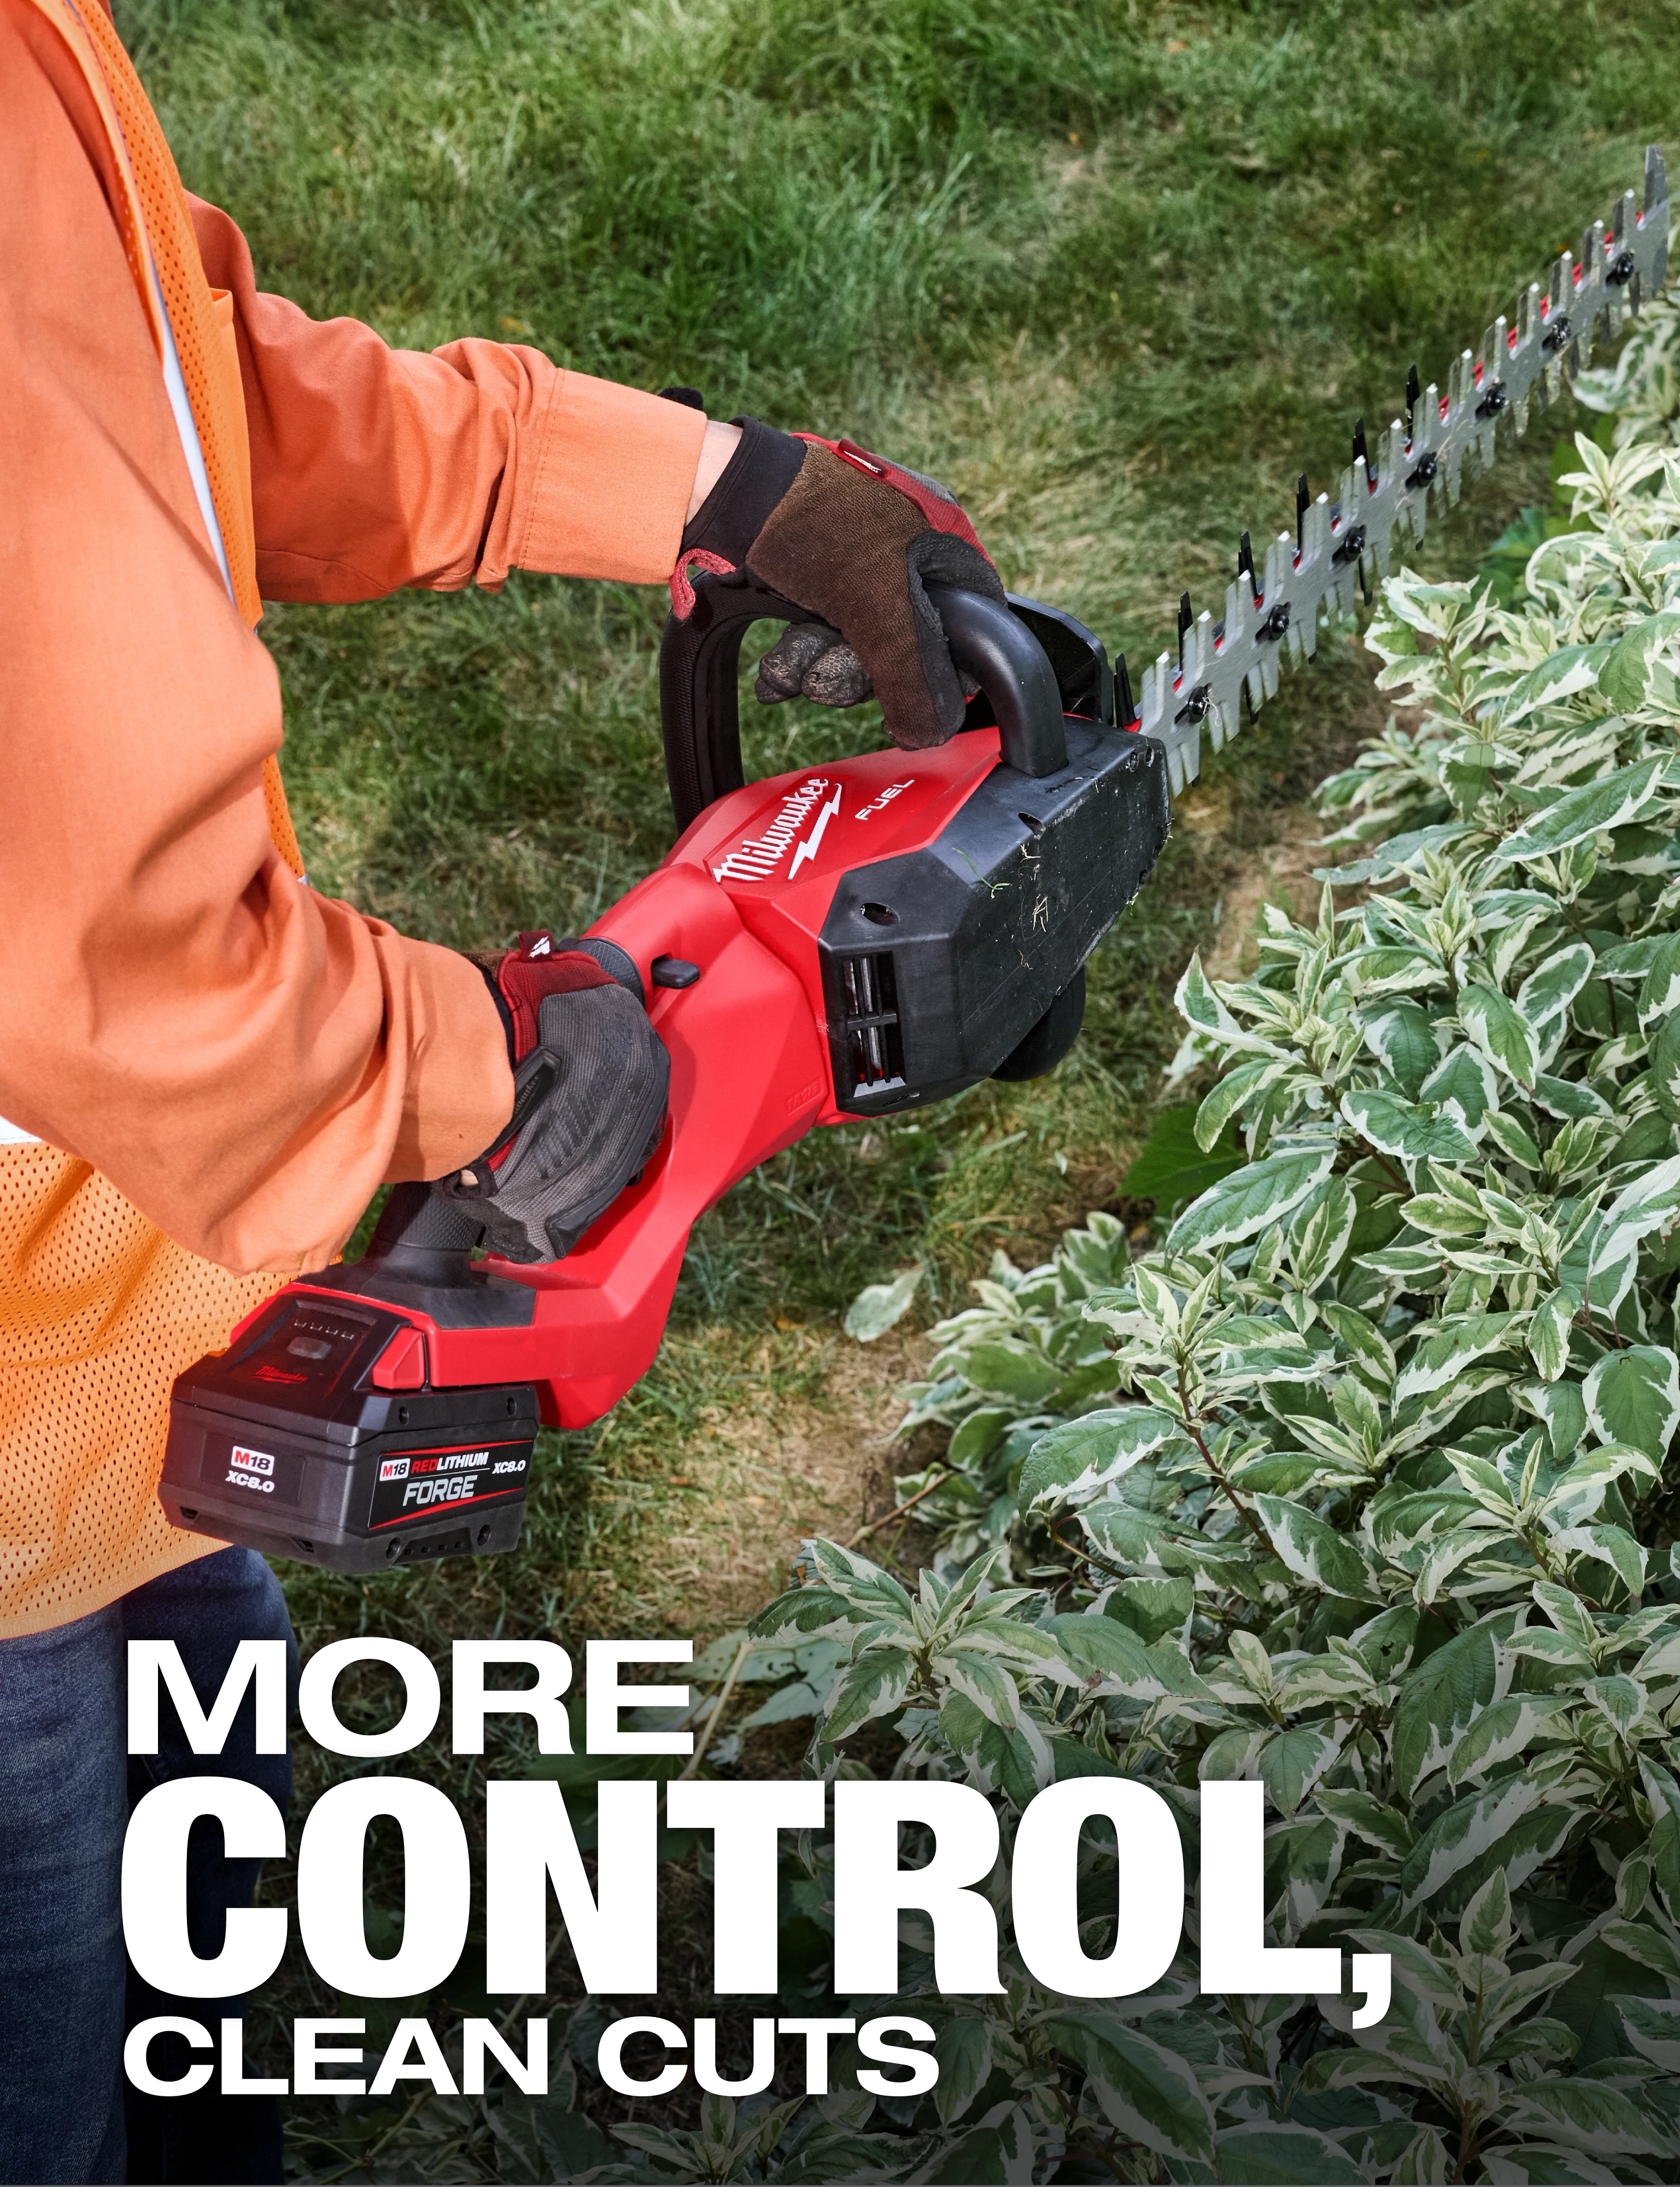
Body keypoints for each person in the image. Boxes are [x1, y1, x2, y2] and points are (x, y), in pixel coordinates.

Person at [0, 3, 1004, 2177]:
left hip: (87, 1381)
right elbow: (90, 935)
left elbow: (154, 388)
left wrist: (706, 490)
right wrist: (481, 1069)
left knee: (198, 2023)